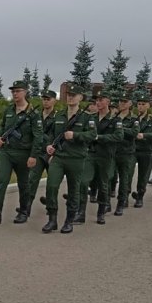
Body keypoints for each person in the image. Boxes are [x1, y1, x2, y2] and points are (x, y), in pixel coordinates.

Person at [40, 84, 95, 233]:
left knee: (73, 190)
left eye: (74, 95)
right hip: (59, 157)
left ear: (80, 98)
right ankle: (52, 220)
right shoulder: (59, 115)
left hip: (76, 158)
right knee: (51, 186)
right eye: (69, 95)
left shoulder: (87, 117)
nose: (70, 97)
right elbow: (50, 134)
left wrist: (76, 135)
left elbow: (92, 135)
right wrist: (49, 146)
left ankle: (69, 220)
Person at [0, 80, 43, 224]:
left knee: (23, 184)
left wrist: (33, 155)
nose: (15, 93)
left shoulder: (33, 113)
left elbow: (38, 136)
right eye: (13, 91)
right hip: (6, 152)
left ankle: (23, 211)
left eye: (18, 91)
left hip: (24, 153)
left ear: (25, 92)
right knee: (1, 179)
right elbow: (2, 127)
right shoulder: (8, 110)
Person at [78, 90, 123, 225]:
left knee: (103, 185)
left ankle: (101, 211)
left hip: (105, 156)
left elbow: (119, 136)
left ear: (108, 101)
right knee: (84, 182)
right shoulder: (91, 118)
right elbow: (85, 133)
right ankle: (80, 213)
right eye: (97, 100)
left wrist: (100, 137)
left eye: (101, 100)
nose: (98, 102)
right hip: (91, 154)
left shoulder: (116, 120)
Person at [26, 90, 58, 214]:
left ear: (54, 100)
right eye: (44, 99)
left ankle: (51, 206)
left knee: (52, 182)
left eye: (48, 99)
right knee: (32, 180)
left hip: (51, 154)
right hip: (39, 153)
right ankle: (26, 208)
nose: (45, 101)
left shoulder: (58, 117)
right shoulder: (36, 115)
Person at [112, 92, 138, 216]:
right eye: (120, 101)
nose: (122, 103)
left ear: (130, 104)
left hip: (126, 152)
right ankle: (105, 202)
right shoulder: (113, 117)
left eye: (125, 101)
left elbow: (134, 133)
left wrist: (120, 129)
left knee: (124, 179)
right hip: (113, 151)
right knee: (109, 177)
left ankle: (121, 203)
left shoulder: (133, 119)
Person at [132, 95, 152, 207]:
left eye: (143, 104)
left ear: (148, 105)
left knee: (143, 175)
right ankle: (124, 196)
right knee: (128, 174)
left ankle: (140, 196)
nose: (141, 106)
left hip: (146, 150)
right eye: (139, 104)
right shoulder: (133, 118)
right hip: (132, 149)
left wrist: (145, 135)